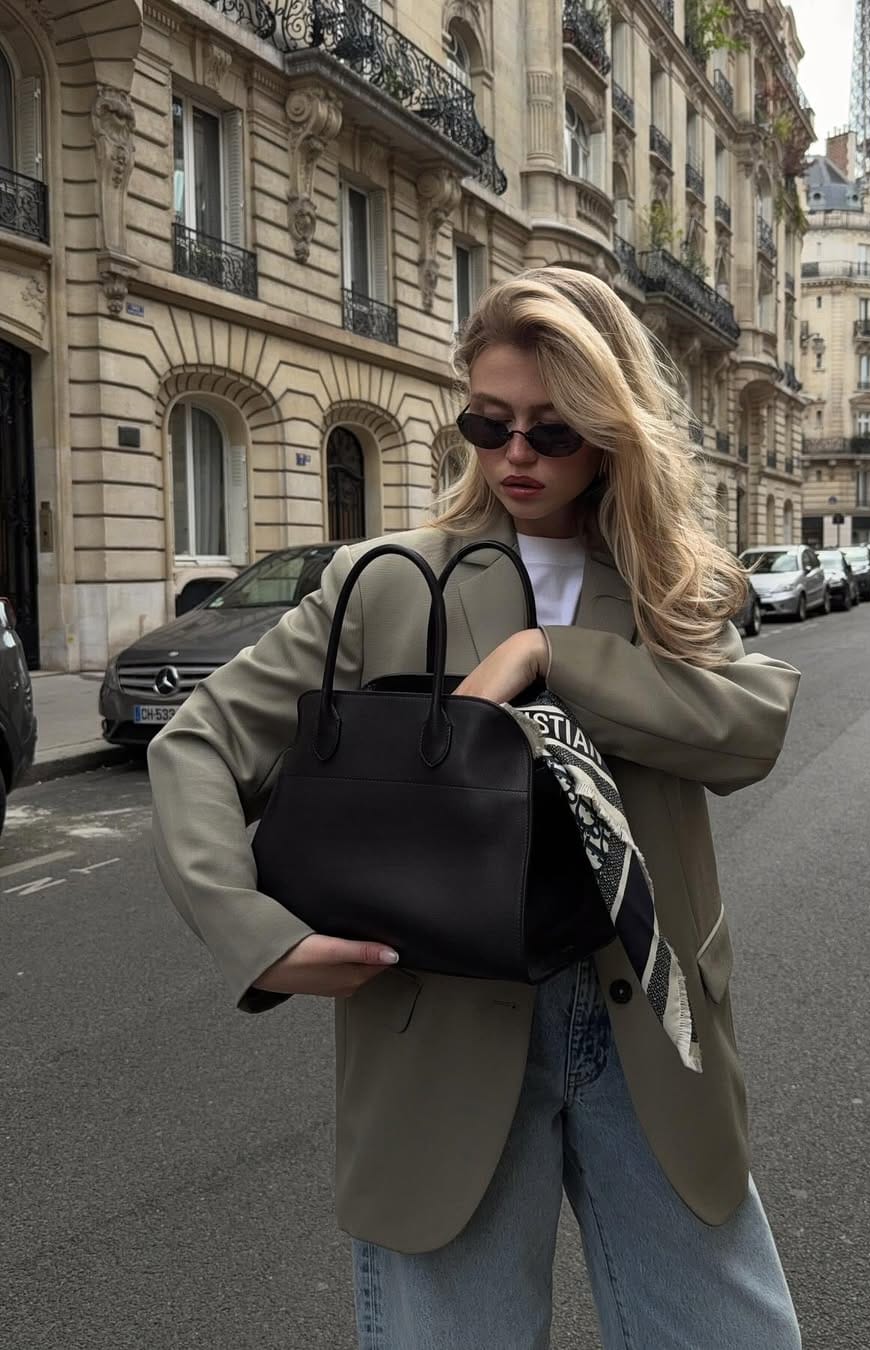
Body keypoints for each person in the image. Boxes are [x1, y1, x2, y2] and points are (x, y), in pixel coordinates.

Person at [148, 266, 803, 1349]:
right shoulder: (388, 581)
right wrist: (255, 935)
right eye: (488, 423)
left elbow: (748, 729)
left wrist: (553, 659)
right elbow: (199, 746)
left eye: (552, 431)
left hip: (639, 1017)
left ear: (609, 433)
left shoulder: (667, 589)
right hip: (436, 1024)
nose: (514, 456)